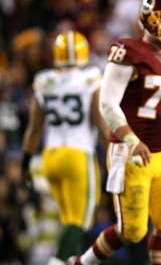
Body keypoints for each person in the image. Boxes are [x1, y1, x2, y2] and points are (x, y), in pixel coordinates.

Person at [67, 0, 161, 265]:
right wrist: (131, 140)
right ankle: (81, 263)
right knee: (132, 230)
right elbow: (107, 103)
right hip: (132, 153)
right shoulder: (129, 52)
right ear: (148, 22)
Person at [21, 31, 108, 264]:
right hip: (78, 156)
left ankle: (66, 260)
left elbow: (33, 129)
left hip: (50, 157)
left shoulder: (44, 80)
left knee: (69, 220)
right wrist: (114, 152)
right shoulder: (90, 77)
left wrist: (25, 164)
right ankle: (57, 261)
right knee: (81, 221)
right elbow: (100, 122)